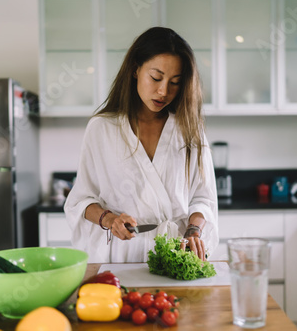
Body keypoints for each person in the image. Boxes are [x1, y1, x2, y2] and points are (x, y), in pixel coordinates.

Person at [64, 27, 218, 263]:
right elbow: (81, 200)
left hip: (176, 253)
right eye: (156, 78)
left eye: (175, 82)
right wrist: (109, 219)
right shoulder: (102, 128)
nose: (163, 91)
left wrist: (194, 230)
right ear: (135, 70)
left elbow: (203, 198)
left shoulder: (190, 129)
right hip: (123, 254)